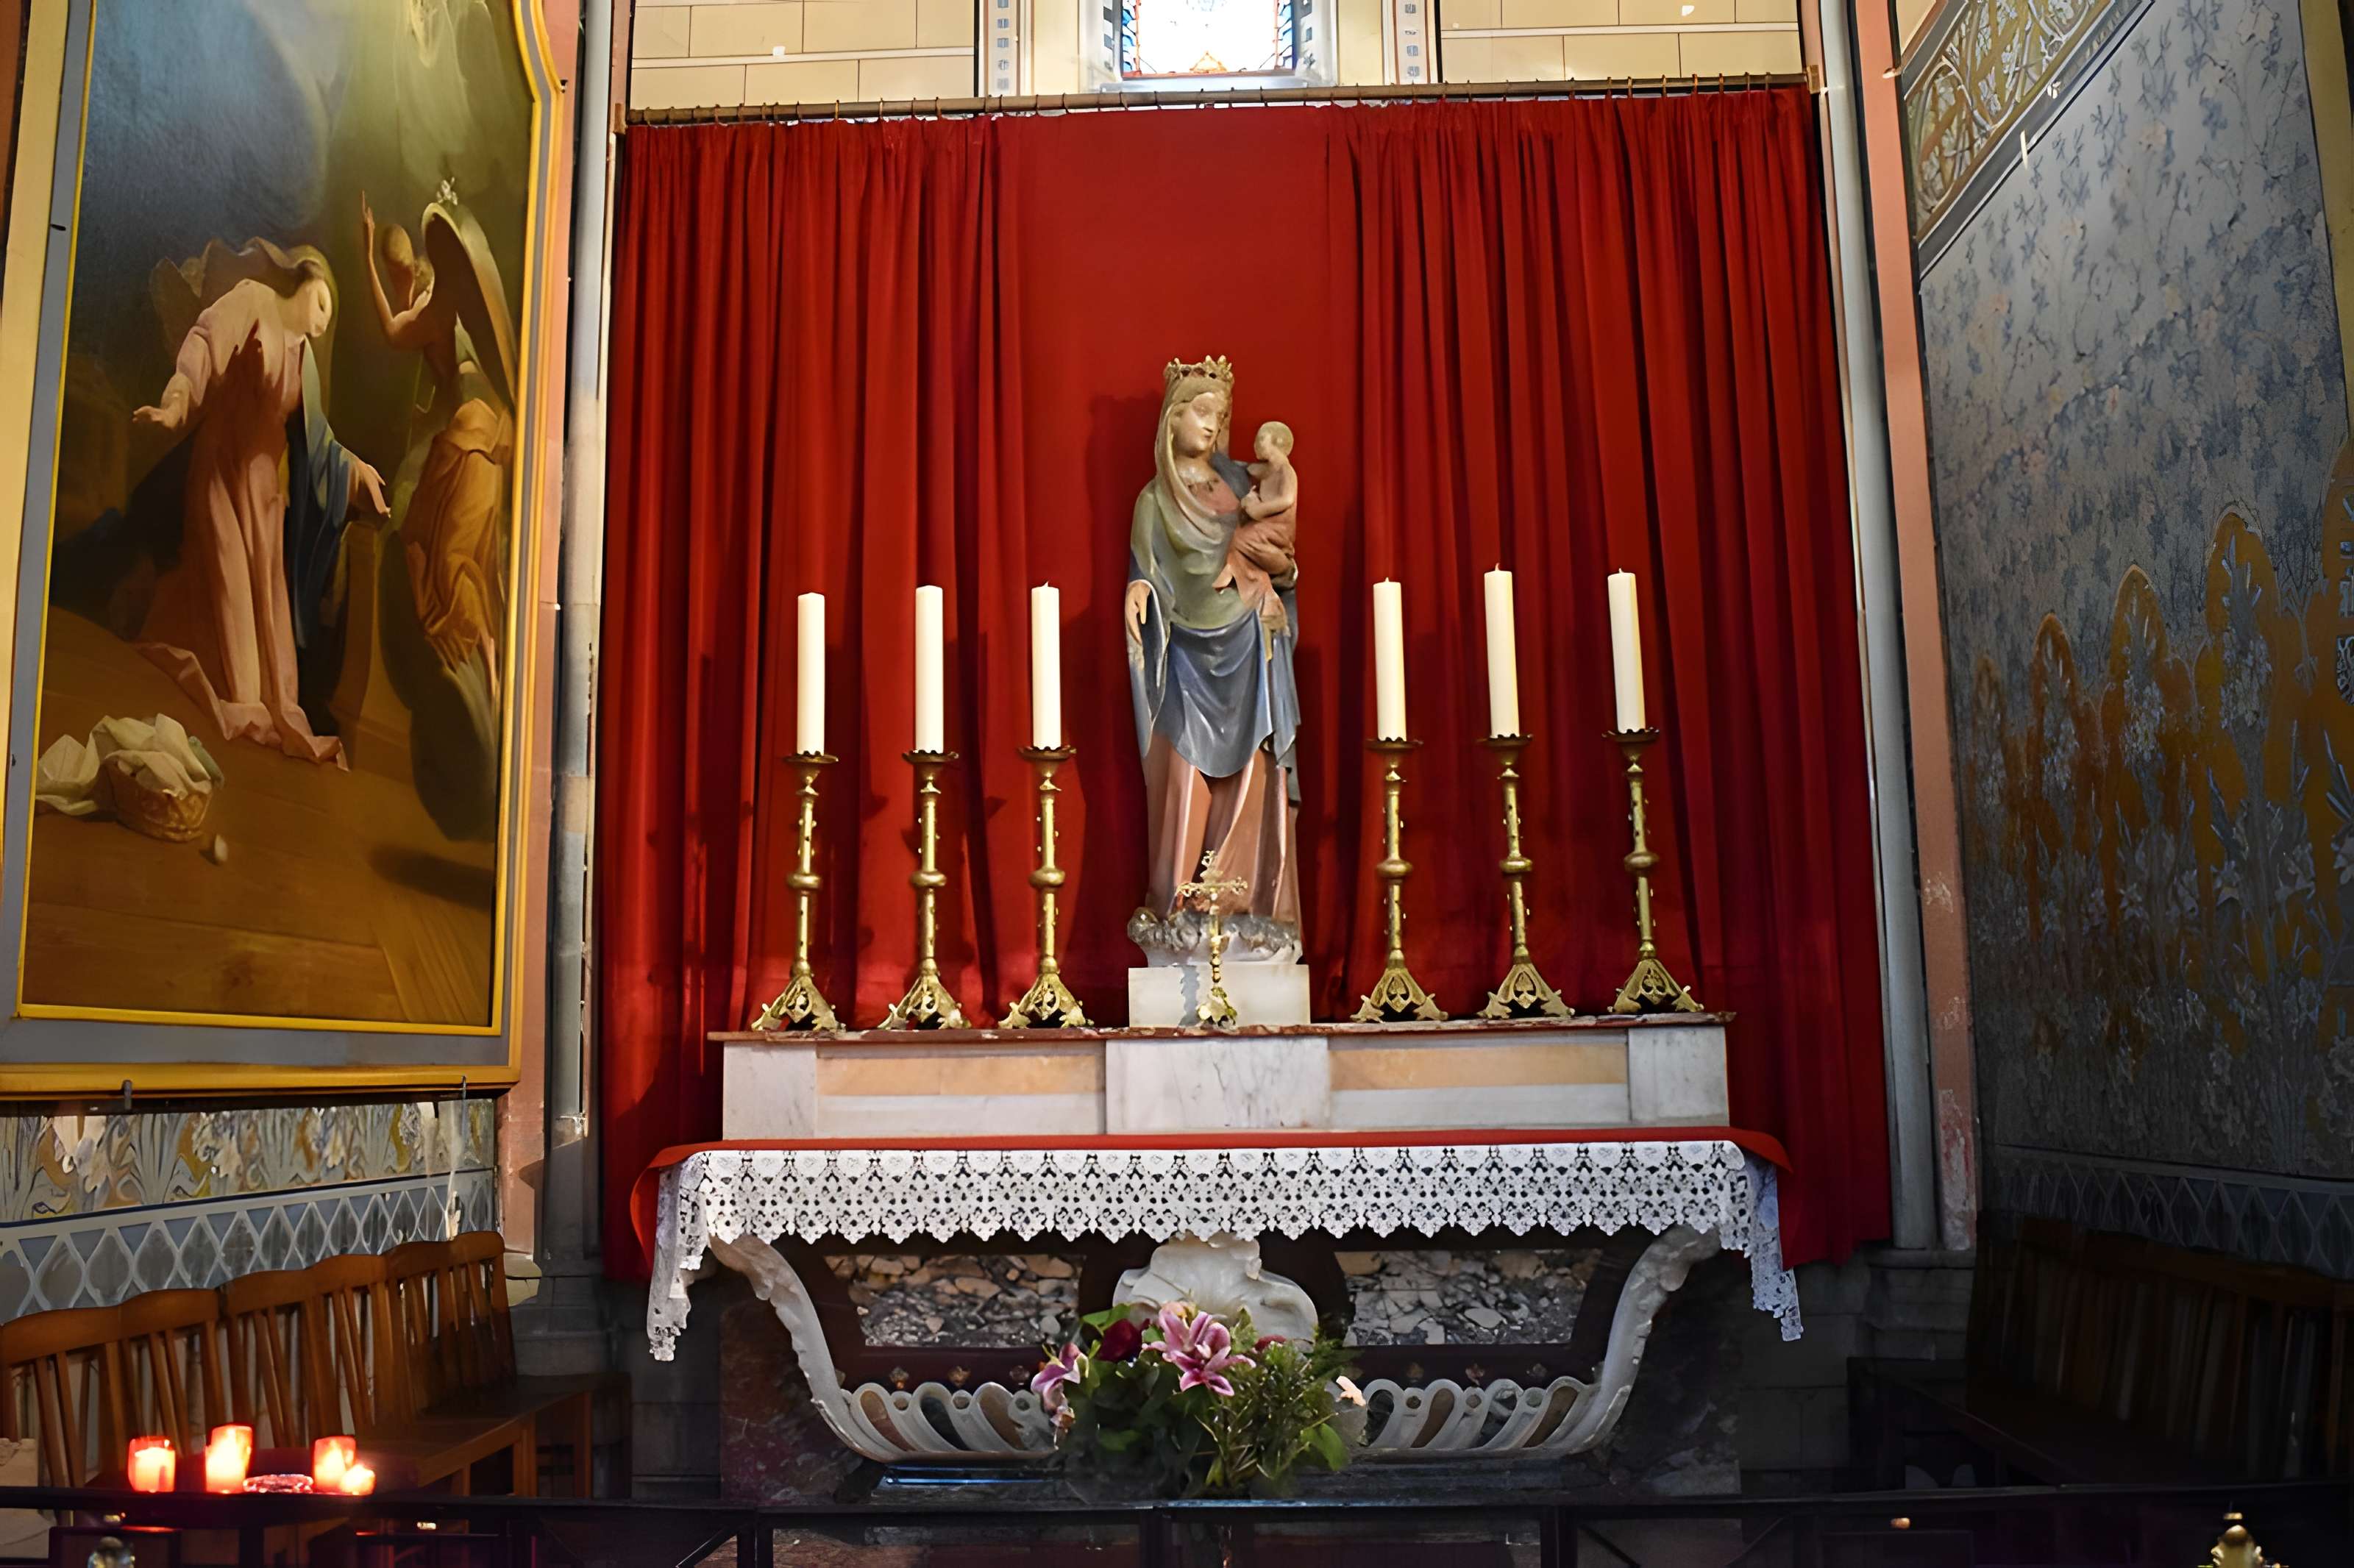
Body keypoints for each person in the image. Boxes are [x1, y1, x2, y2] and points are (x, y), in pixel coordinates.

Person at [132, 257, 386, 764]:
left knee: (266, 606)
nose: (323, 321)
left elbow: (319, 440)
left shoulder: (303, 360)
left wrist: (355, 470)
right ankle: (244, 701)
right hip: (223, 469)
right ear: (304, 281)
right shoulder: (254, 301)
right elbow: (206, 342)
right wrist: (178, 400)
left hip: (267, 491)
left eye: (329, 317)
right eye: (321, 304)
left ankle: (271, 706)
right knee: (230, 587)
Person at [1125, 358, 1304, 960]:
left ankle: (1246, 901)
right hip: (1183, 653)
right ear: (1172, 419)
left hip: (1251, 641)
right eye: (1201, 411)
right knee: (1182, 770)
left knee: (1255, 765)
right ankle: (1181, 903)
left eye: (1219, 415)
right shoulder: (1154, 501)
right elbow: (1148, 571)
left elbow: (1280, 547)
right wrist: (1140, 589)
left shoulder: (1238, 482)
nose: (1212, 424)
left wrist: (1285, 577)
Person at [1213, 420, 1298, 638]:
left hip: (1278, 528)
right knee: (1241, 536)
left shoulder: (1285, 471)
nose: (1256, 444)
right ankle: (1233, 569)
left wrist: (1259, 509)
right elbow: (1247, 468)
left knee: (1243, 539)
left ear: (1277, 443)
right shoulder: (1267, 470)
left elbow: (1286, 499)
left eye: (1261, 439)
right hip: (1265, 525)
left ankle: (1233, 569)